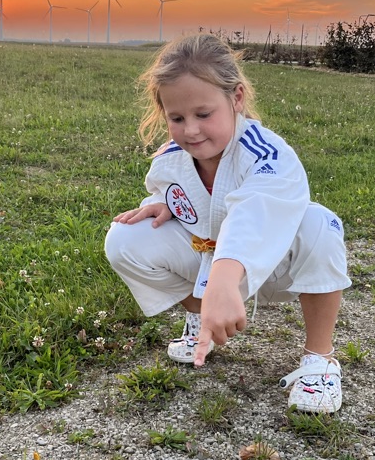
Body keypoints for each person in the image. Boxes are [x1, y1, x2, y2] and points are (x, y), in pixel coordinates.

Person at [104, 33, 351, 413]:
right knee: (125, 238)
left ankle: (320, 360)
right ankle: (203, 319)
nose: (190, 130)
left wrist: (223, 279)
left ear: (236, 99)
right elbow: (170, 187)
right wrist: (165, 202)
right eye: (177, 118)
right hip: (209, 271)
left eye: (203, 114)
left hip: (275, 269)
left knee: (321, 224)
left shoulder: (267, 153)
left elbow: (255, 211)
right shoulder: (172, 156)